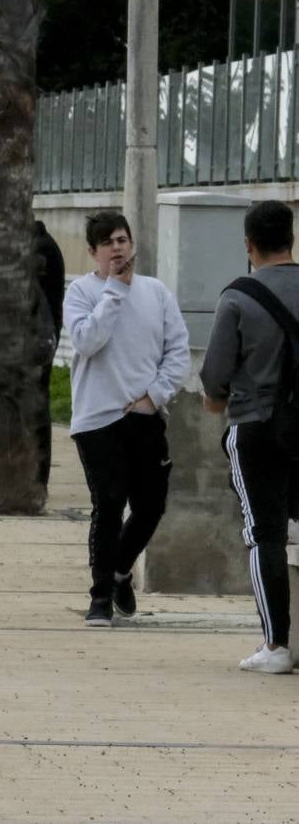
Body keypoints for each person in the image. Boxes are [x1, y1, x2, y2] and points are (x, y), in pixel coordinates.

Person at [64, 211, 190, 627]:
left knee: (151, 505)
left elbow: (177, 351)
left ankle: (121, 572)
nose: (117, 248)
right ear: (93, 252)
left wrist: (154, 397)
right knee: (109, 504)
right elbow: (87, 341)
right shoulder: (81, 292)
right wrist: (114, 291)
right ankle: (100, 596)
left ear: (132, 244)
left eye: (122, 240)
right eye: (108, 243)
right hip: (97, 420)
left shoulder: (156, 292)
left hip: (144, 415)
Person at [200, 200, 299, 674]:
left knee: (265, 536)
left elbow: (215, 373)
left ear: (248, 245)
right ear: (291, 238)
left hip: (256, 426)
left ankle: (276, 646)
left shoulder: (238, 297)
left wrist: (217, 398)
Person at [33, 219, 67, 491]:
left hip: (39, 338)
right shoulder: (43, 243)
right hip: (45, 334)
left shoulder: (40, 248)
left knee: (35, 405)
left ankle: (36, 478)